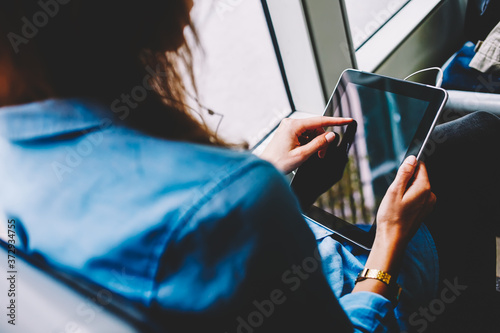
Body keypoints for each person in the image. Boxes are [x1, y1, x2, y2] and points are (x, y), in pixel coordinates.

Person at [0, 1, 498, 332]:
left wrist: (260, 168)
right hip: (362, 286)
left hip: (299, 244)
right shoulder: (231, 201)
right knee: (476, 140)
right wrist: (388, 245)